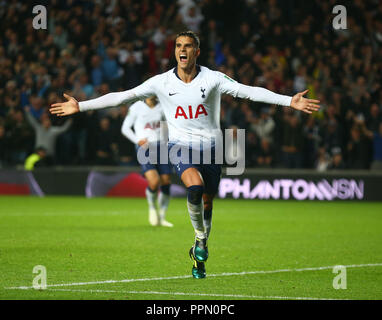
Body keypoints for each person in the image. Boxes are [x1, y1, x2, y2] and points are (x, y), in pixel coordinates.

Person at [49, 31, 320, 279]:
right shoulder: (161, 82)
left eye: (188, 46)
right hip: (180, 147)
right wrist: (81, 105)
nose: (183, 50)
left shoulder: (213, 78)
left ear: (197, 52)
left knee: (208, 202)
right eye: (179, 45)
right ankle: (200, 236)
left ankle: (199, 252)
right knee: (195, 186)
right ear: (175, 51)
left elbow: (247, 91)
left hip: (213, 149)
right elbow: (123, 96)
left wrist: (288, 100)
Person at [121, 96, 173, 227]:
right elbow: (125, 128)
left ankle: (162, 217)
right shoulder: (136, 107)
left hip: (161, 146)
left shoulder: (163, 105)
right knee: (154, 182)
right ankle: (152, 208)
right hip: (144, 148)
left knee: (166, 181)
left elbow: (169, 125)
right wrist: (137, 140)